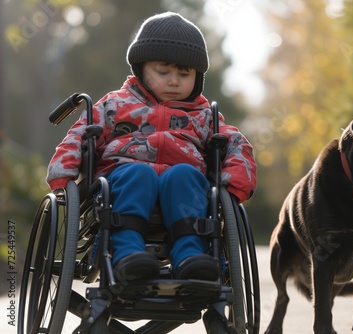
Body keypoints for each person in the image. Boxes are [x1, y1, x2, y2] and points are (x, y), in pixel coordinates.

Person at [46, 12, 257, 281]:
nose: (173, 80)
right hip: (122, 179)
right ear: (141, 68)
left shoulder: (203, 116)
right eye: (163, 71)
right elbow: (80, 133)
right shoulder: (115, 104)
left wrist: (236, 182)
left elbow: (238, 144)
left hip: (183, 187)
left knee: (185, 174)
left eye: (184, 73)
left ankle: (191, 255)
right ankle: (127, 253)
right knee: (138, 173)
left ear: (198, 77)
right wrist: (63, 171)